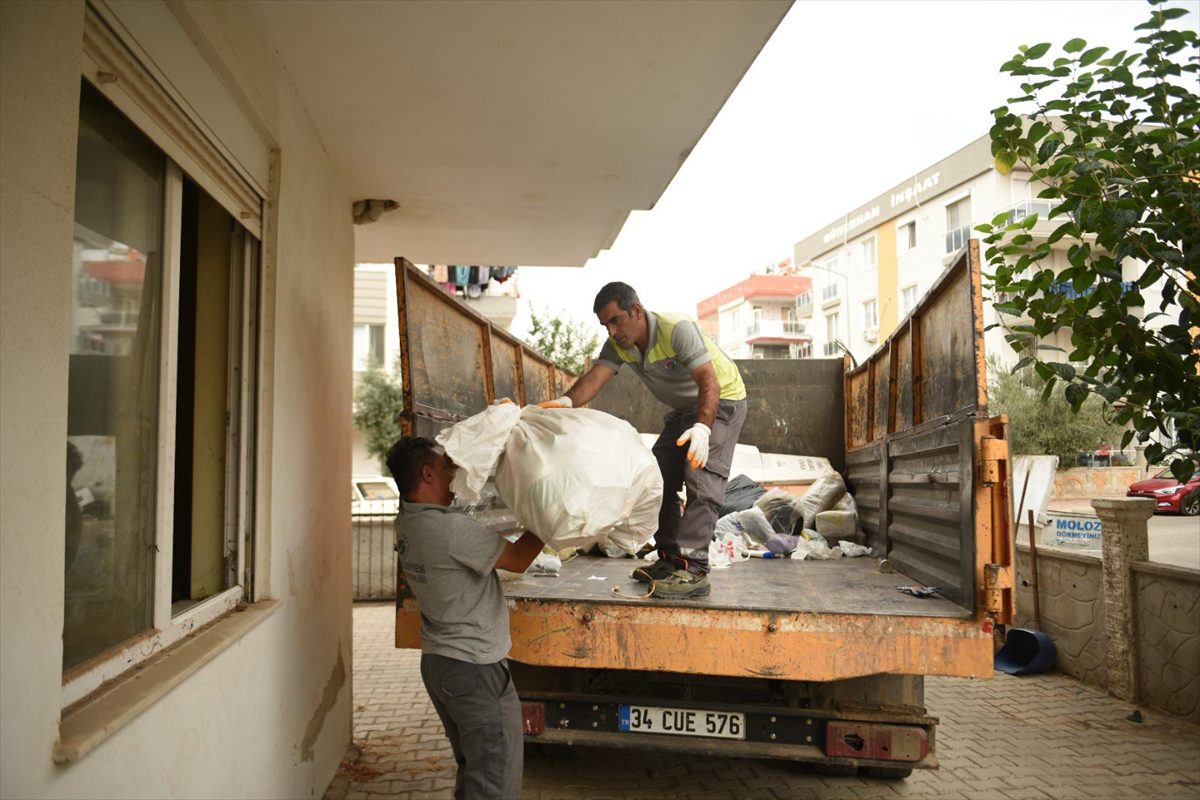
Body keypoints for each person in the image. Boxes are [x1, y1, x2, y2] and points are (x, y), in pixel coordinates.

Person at [539, 281, 747, 600]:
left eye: (615, 320)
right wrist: (565, 403)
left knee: (701, 480)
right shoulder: (621, 344)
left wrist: (704, 430)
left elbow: (709, 381)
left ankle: (693, 570)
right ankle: (670, 560)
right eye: (605, 324)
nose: (611, 331)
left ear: (636, 310)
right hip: (685, 409)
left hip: (721, 401)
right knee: (656, 477)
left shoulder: (676, 329)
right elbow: (596, 377)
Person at [387, 436, 543, 800]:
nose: (454, 473)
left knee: (475, 772)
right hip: (474, 668)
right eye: (446, 467)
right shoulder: (449, 530)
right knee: (493, 783)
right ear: (427, 473)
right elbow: (519, 560)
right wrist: (551, 516)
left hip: (441, 663)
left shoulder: (407, 524)